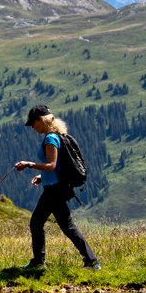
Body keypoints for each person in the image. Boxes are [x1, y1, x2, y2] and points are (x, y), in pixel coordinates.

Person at [14, 104, 100, 270]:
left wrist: (29, 164)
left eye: (33, 123)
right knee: (66, 227)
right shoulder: (56, 136)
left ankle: (39, 262)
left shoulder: (50, 138)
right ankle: (91, 261)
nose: (32, 127)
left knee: (37, 223)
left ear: (41, 120)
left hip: (54, 190)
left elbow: (51, 165)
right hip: (55, 187)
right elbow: (57, 166)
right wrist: (41, 176)